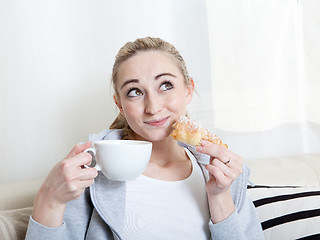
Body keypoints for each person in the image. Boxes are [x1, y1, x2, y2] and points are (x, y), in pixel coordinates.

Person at [25, 37, 264, 240]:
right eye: (135, 92)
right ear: (119, 103)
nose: (153, 107)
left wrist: (219, 197)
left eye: (166, 85)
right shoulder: (90, 170)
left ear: (188, 90)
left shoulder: (225, 172)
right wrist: (49, 199)